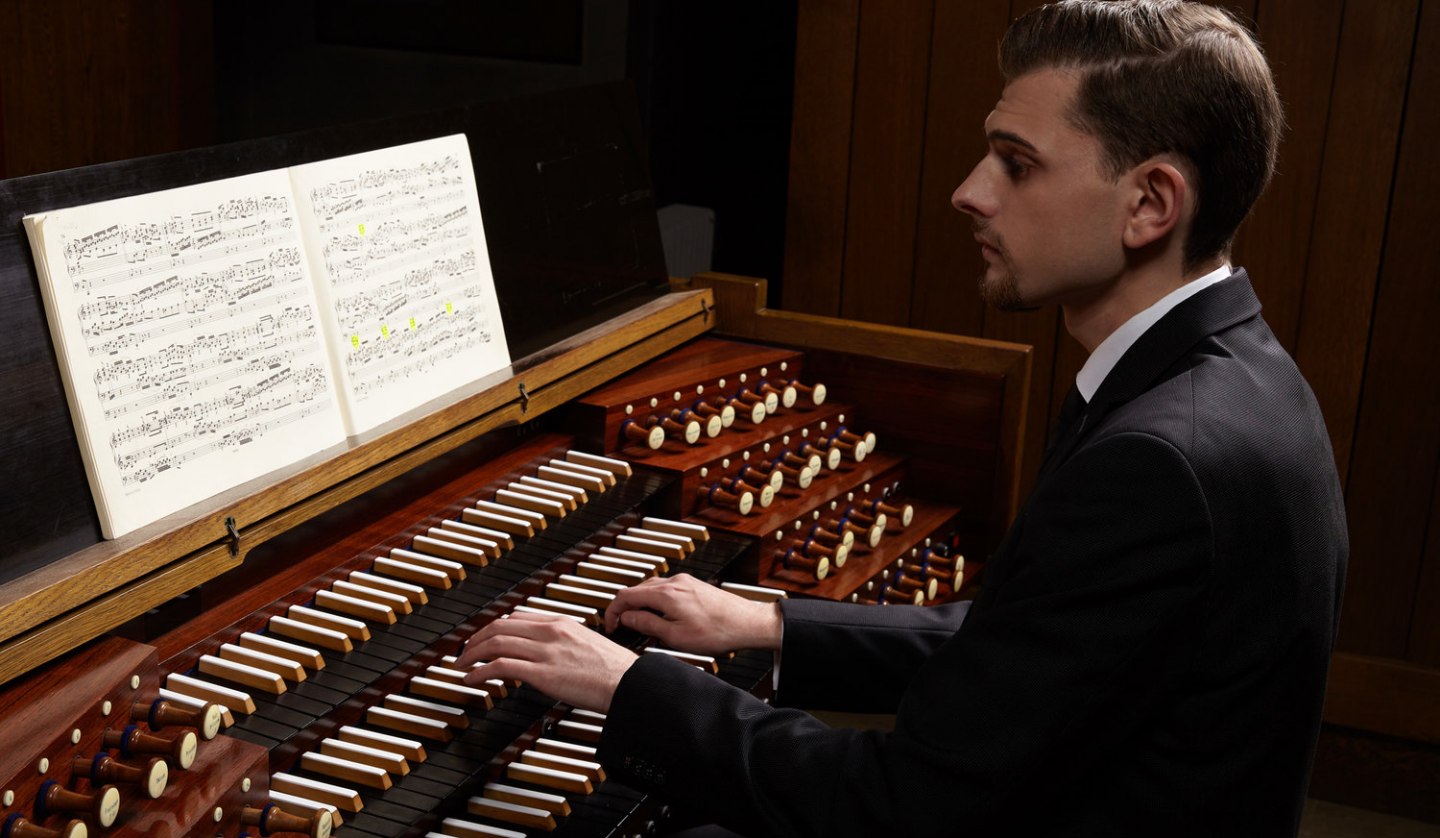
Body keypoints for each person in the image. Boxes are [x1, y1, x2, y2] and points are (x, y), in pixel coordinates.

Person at [457, 1, 1348, 835]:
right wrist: (772, 625)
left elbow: (905, 807)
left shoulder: (1160, 458)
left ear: (1151, 203)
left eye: (1018, 162)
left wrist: (631, 688)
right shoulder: (1235, 374)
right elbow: (1036, 643)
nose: (970, 191)